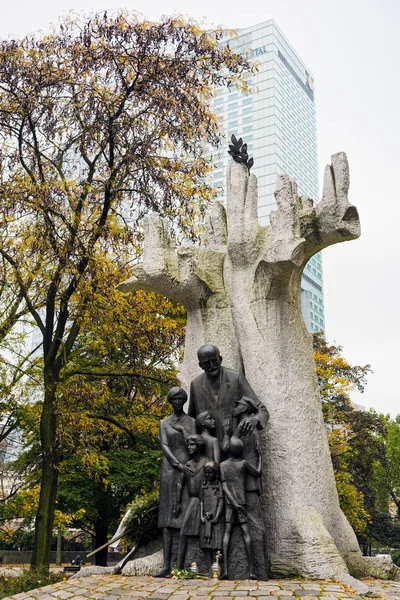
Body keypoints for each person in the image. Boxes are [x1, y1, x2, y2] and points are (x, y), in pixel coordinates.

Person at [188, 344, 269, 455]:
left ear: (220, 359)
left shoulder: (236, 378)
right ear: (200, 365)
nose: (211, 366)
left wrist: (254, 419)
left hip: (236, 449)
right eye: (206, 363)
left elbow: (262, 409)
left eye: (214, 361)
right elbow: (192, 420)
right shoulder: (195, 385)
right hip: (211, 452)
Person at [155, 387, 196, 577]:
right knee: (166, 520)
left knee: (183, 518)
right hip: (170, 471)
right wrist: (178, 464)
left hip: (188, 470)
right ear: (171, 401)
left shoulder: (192, 423)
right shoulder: (164, 423)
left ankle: (181, 564)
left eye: (181, 398)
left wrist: (186, 466)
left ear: (185, 400)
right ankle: (166, 565)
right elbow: (164, 446)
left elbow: (195, 444)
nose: (178, 402)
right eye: (175, 399)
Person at [220, 436, 261, 580]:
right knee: (246, 533)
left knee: (227, 533)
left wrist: (233, 504)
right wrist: (259, 456)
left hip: (230, 505)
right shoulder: (243, 463)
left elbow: (224, 487)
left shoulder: (223, 465)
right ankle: (251, 571)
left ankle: (224, 570)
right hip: (241, 503)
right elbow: (257, 472)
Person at [175, 435, 209, 569]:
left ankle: (211, 565)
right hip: (193, 500)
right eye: (188, 445)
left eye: (192, 445)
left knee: (206, 532)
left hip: (205, 501)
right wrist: (178, 502)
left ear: (199, 446)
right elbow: (180, 483)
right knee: (183, 532)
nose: (189, 447)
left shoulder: (207, 462)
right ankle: (179, 567)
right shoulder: (187, 465)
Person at [199, 461, 223, 550]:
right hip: (205, 518)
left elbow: (221, 501)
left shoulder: (218, 486)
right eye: (206, 473)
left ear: (215, 473)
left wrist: (217, 517)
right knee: (205, 545)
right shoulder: (203, 485)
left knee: (216, 544)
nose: (208, 475)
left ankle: (216, 562)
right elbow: (201, 501)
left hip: (216, 518)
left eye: (210, 472)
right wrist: (201, 516)